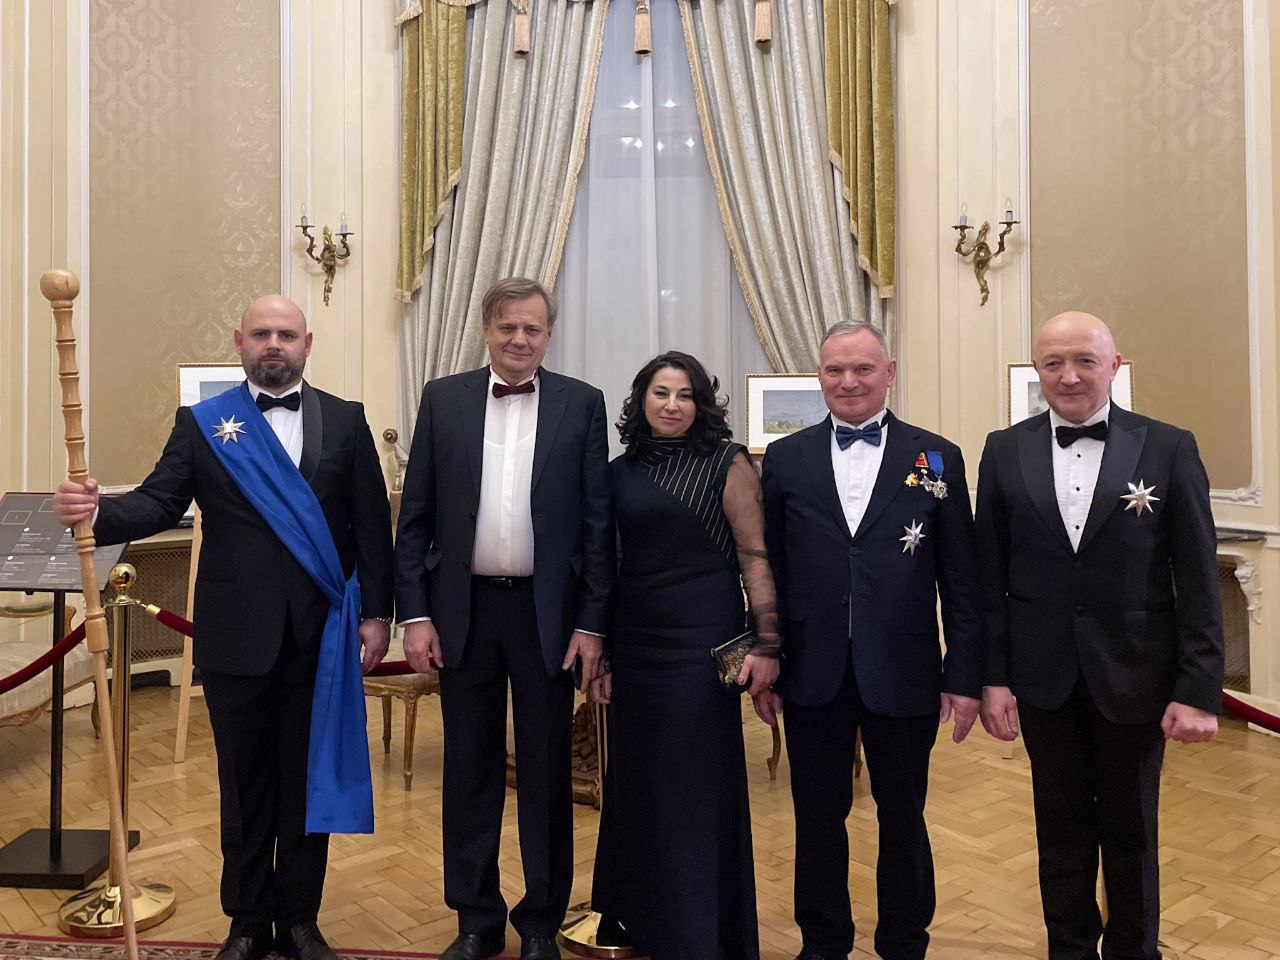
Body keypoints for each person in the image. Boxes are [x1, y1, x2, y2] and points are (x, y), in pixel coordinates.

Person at [52, 295, 394, 960]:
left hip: (321, 635)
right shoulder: (204, 424)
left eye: (286, 334)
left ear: (308, 344)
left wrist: (378, 615)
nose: (274, 344)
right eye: (261, 333)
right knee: (243, 786)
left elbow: (370, 525)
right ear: (239, 342)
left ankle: (300, 921)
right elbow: (159, 501)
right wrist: (95, 512)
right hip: (237, 634)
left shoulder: (347, 420)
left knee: (305, 783)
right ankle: (247, 921)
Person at [976, 311, 1223, 960]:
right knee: (1059, 831)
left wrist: (1198, 689)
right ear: (1037, 370)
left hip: (1136, 676)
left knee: (1132, 831)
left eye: (1085, 360)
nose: (1069, 375)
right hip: (1042, 678)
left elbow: (1198, 577)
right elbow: (989, 579)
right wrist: (993, 677)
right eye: (1054, 362)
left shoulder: (1168, 447)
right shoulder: (1004, 450)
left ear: (1114, 365)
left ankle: (1135, 952)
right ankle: (1069, 950)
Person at [393, 277, 613, 960]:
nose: (520, 339)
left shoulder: (583, 403)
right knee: (469, 769)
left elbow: (596, 526)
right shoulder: (442, 398)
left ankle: (541, 922)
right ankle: (475, 920)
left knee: (546, 773)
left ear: (548, 335)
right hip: (463, 611)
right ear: (487, 329)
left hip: (548, 617)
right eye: (508, 327)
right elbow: (416, 516)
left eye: (533, 329)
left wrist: (591, 624)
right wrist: (415, 614)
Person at [759, 321, 984, 960]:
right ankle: (823, 941)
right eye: (835, 370)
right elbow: (767, 569)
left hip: (906, 672)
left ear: (889, 373)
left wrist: (964, 675)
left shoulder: (935, 456)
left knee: (904, 817)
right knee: (816, 817)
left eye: (862, 368)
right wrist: (768, 658)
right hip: (812, 671)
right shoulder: (785, 458)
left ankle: (905, 941)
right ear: (819, 377)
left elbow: (961, 580)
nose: (849, 381)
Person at [584, 351, 780, 960]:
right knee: (637, 785)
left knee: (695, 788)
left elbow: (754, 556)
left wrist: (766, 642)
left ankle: (699, 931)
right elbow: (606, 567)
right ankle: (637, 918)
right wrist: (603, 654)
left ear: (701, 404)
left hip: (701, 648)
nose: (672, 404)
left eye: (685, 394)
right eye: (661, 393)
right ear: (641, 400)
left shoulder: (728, 462)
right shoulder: (618, 473)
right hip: (636, 647)